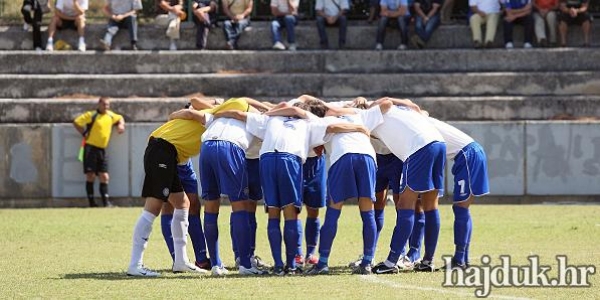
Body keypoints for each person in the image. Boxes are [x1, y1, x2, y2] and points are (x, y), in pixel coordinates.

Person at [305, 100, 393, 276]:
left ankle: (322, 263)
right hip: (367, 157)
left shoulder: (322, 120)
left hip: (342, 157)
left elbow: (322, 141)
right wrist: (358, 128)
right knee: (367, 212)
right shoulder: (360, 115)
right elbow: (387, 104)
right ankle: (367, 262)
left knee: (333, 211)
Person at [369, 98, 446, 274]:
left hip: (418, 148)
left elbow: (381, 107)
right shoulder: (404, 110)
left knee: (405, 204)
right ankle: (427, 260)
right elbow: (412, 105)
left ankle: (391, 262)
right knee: (430, 205)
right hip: (438, 143)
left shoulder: (371, 116)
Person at [425, 114, 489, 269]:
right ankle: (462, 258)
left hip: (467, 156)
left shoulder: (421, 123)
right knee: (462, 208)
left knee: (460, 208)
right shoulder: (425, 120)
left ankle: (459, 259)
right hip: (470, 154)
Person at [73, 97, 125, 208]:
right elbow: (77, 122)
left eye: (108, 105)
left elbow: (120, 118)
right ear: (99, 104)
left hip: (102, 149)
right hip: (90, 148)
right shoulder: (92, 115)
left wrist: (121, 125)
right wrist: (84, 132)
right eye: (104, 104)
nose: (106, 107)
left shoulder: (110, 115)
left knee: (104, 176)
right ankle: (92, 203)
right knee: (90, 175)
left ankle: (106, 203)